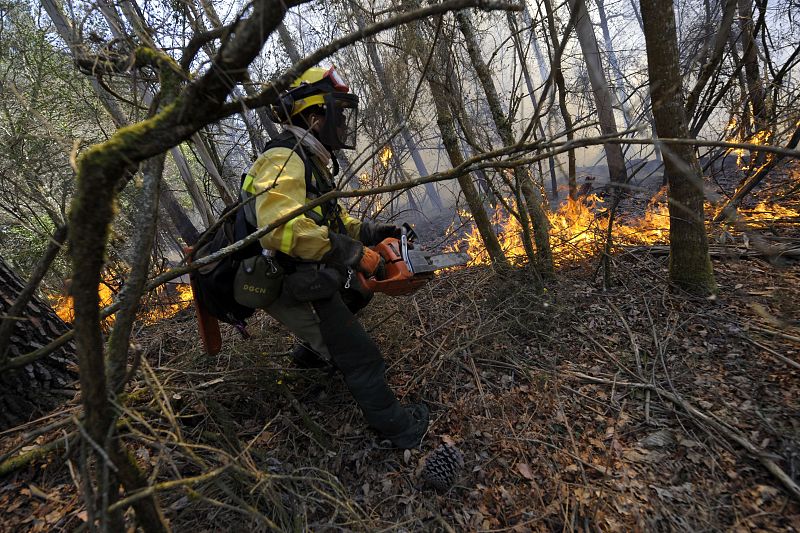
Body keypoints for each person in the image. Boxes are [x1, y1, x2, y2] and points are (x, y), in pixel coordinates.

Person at [239, 65, 429, 449]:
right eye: (336, 114)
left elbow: (334, 221)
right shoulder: (284, 158)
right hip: (283, 278)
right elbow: (276, 229)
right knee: (361, 358)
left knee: (358, 290)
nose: (343, 124)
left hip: (301, 272)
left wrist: (377, 233)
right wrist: (354, 253)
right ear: (313, 117)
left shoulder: (306, 162)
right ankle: (400, 431)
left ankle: (311, 356)